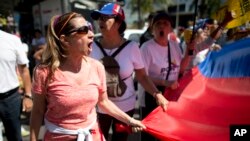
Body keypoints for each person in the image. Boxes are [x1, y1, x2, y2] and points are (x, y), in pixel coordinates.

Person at [29, 12, 146, 141]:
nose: (91, 34)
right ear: (65, 40)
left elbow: (103, 102)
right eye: (83, 30)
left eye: (90, 29)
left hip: (93, 136)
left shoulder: (97, 67)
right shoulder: (44, 72)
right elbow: (38, 111)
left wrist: (130, 120)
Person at [90, 3, 168, 141]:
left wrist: (157, 94)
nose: (100, 21)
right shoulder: (91, 47)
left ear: (118, 22)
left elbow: (142, 76)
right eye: (99, 18)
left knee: (120, 139)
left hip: (126, 106)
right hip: (100, 106)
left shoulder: (132, 47)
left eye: (105, 17)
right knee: (98, 138)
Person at [140, 11, 193, 141]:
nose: (162, 26)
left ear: (170, 28)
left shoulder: (174, 45)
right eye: (158, 23)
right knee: (151, 135)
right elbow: (141, 77)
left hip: (171, 96)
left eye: (165, 23)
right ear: (153, 28)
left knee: (168, 134)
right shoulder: (146, 48)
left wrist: (189, 51)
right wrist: (165, 82)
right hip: (152, 96)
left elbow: (181, 68)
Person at [0, 29, 33, 141]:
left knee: (15, 137)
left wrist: (28, 95)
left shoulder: (12, 40)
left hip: (10, 99)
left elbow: (24, 70)